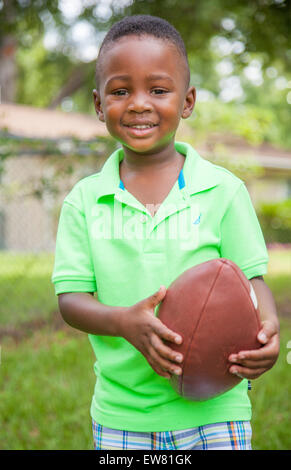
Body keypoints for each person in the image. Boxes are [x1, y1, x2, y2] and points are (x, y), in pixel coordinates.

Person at [51, 15, 280, 450]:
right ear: (99, 105)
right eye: (121, 91)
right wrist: (122, 321)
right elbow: (72, 300)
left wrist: (268, 326)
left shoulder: (223, 191)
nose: (139, 103)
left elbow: (253, 282)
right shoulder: (84, 200)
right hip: (123, 414)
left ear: (187, 101)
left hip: (216, 406)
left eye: (158, 90)